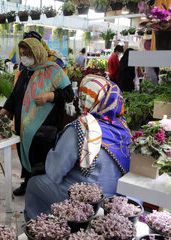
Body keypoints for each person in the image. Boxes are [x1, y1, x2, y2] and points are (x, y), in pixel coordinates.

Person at [24, 75, 132, 221]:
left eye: (81, 96)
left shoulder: (82, 128)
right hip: (115, 196)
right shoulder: (122, 126)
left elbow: (55, 171)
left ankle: (43, 226)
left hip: (87, 199)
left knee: (34, 184)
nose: (77, 100)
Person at [0, 38, 74, 196]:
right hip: (23, 125)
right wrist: (3, 112)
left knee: (40, 157)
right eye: (22, 53)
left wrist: (49, 96)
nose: (24, 57)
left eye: (27, 53)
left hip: (44, 125)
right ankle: (28, 184)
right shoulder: (24, 72)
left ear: (37, 52)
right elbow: (14, 97)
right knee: (25, 154)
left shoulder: (53, 70)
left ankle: (41, 189)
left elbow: (69, 94)